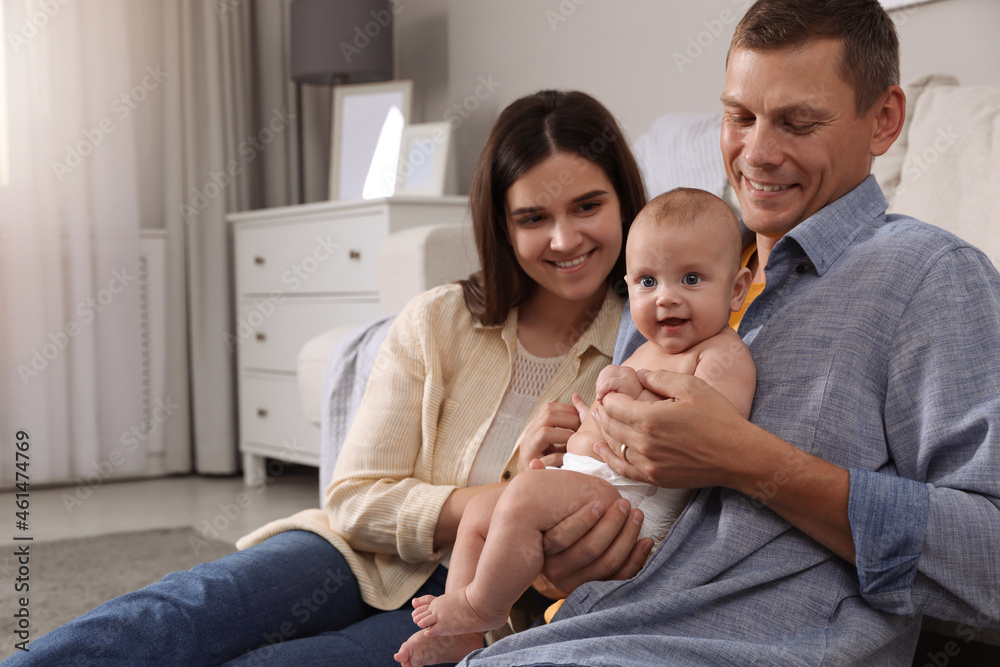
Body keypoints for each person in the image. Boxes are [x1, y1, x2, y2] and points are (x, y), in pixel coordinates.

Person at [3, 90, 650, 667]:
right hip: (348, 555)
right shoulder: (439, 321)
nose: (565, 238)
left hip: (480, 614)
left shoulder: (646, 352)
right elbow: (356, 497)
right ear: (502, 226)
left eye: (588, 205)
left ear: (623, 201)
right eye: (533, 217)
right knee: (180, 612)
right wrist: (489, 501)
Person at [458, 1, 1000, 665]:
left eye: (798, 122)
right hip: (583, 629)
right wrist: (562, 537)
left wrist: (749, 459)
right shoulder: (671, 273)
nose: (758, 153)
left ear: (883, 119)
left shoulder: (930, 276)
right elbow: (614, 530)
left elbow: (990, 560)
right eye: (740, 117)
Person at [394, 188, 756, 667]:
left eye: (691, 279)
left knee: (523, 499)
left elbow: (709, 437)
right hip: (596, 483)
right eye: (648, 281)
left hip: (635, 506)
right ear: (629, 285)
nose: (666, 297)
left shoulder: (722, 353)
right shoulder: (649, 345)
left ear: (735, 288)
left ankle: (479, 606)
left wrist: (635, 390)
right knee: (482, 508)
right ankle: (462, 637)